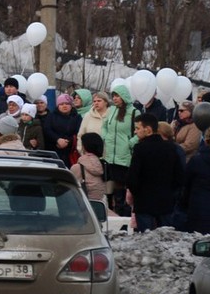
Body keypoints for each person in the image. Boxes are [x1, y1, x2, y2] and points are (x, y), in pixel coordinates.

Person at [126, 113, 183, 231]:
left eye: (137, 128)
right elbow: (179, 176)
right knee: (167, 240)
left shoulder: (140, 148)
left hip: (144, 202)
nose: (135, 132)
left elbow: (132, 178)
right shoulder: (171, 148)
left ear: (147, 130)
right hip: (166, 202)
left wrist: (138, 194)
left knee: (147, 241)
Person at [103, 86, 138, 215]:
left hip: (125, 155)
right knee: (115, 186)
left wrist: (130, 143)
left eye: (117, 96)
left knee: (124, 185)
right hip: (111, 155)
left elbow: (139, 132)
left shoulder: (134, 112)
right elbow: (104, 126)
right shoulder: (111, 110)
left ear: (124, 96)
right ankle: (118, 211)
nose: (115, 99)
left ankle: (126, 212)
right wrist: (105, 137)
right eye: (114, 96)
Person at [71, 133, 108, 206]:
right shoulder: (104, 166)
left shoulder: (77, 168)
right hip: (100, 207)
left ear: (84, 147)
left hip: (83, 208)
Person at [44, 93, 82, 163]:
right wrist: (57, 139)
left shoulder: (77, 117)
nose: (64, 106)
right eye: (61, 104)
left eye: (67, 104)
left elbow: (78, 133)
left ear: (71, 105)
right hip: (53, 150)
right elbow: (47, 130)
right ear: (58, 106)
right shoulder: (51, 116)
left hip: (70, 152)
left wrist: (68, 141)